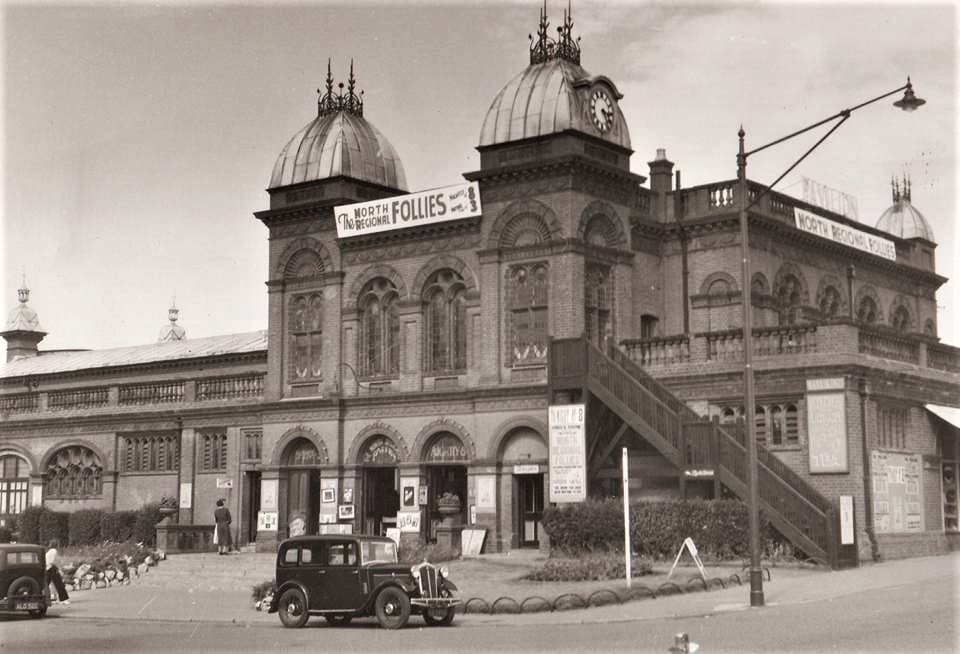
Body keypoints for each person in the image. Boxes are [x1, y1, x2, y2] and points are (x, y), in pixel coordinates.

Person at [45, 540, 70, 605]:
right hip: (51, 568)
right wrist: (59, 569)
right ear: (56, 545)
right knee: (59, 584)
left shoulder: (49, 551)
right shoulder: (54, 551)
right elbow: (52, 561)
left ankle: (48, 598)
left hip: (47, 569)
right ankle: (64, 600)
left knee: (46, 585)